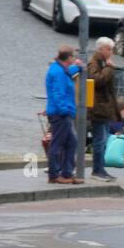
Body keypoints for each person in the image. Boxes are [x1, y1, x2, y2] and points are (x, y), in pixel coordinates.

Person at [45, 46, 83, 184]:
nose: (74, 59)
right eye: (73, 57)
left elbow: (67, 72)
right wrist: (64, 111)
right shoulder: (58, 72)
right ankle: (54, 175)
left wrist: (77, 68)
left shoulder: (60, 69)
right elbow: (58, 94)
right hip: (60, 114)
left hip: (62, 112)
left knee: (71, 142)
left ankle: (66, 173)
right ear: (68, 58)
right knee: (57, 144)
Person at [87, 38, 118, 181]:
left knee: (103, 140)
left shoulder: (103, 63)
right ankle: (97, 170)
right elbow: (96, 81)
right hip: (98, 109)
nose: (111, 52)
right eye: (109, 49)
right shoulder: (94, 63)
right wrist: (109, 68)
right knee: (100, 141)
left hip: (104, 108)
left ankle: (101, 169)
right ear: (101, 49)